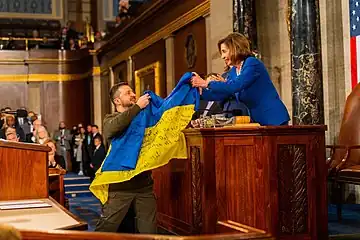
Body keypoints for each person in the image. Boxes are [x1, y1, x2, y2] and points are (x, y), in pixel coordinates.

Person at [95, 82, 156, 234]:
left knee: (149, 231)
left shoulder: (141, 120)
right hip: (120, 186)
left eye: (133, 91)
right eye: (128, 93)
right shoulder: (109, 119)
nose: (133, 94)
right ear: (117, 101)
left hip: (144, 185)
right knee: (106, 229)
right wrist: (138, 107)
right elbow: (116, 125)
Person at [191, 33, 290, 126]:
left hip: (273, 118)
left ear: (235, 49)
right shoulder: (233, 72)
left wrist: (206, 83)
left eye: (224, 51)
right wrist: (200, 91)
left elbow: (236, 86)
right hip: (258, 121)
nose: (222, 57)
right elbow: (223, 94)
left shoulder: (252, 63)